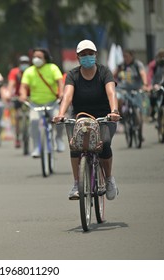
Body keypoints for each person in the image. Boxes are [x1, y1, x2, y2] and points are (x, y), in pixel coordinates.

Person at [53, 39, 120, 200]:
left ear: (95, 55)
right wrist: (61, 113)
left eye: (90, 54)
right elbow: (67, 96)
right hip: (80, 117)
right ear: (78, 57)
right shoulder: (73, 75)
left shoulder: (104, 72)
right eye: (83, 54)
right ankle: (77, 183)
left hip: (104, 117)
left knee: (104, 145)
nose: (87, 57)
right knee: (75, 146)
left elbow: (111, 93)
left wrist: (114, 111)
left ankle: (109, 179)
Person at [19, 47, 65, 157]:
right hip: (35, 104)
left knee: (59, 119)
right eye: (34, 57)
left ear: (45, 59)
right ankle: (36, 147)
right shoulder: (29, 71)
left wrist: (62, 92)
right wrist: (23, 95)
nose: (36, 59)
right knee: (34, 121)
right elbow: (23, 87)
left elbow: (60, 81)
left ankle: (58, 139)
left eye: (39, 57)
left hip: (52, 103)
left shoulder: (52, 68)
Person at [114, 49, 148, 122]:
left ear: (132, 56)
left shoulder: (137, 64)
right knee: (118, 99)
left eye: (127, 56)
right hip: (123, 90)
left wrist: (145, 84)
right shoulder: (121, 65)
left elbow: (143, 73)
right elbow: (113, 74)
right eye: (124, 56)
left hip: (136, 89)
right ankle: (121, 117)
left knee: (139, 106)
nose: (125, 58)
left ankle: (139, 123)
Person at [7, 55, 30, 148]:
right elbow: (11, 83)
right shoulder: (14, 72)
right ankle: (17, 137)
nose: (24, 65)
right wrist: (9, 93)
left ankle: (29, 132)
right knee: (17, 116)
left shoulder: (31, 71)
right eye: (22, 63)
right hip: (17, 97)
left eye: (26, 63)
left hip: (30, 97)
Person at [147, 48, 164, 122]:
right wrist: (150, 85)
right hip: (155, 84)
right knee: (153, 97)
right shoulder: (153, 64)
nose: (162, 58)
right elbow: (149, 75)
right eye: (160, 56)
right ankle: (152, 113)